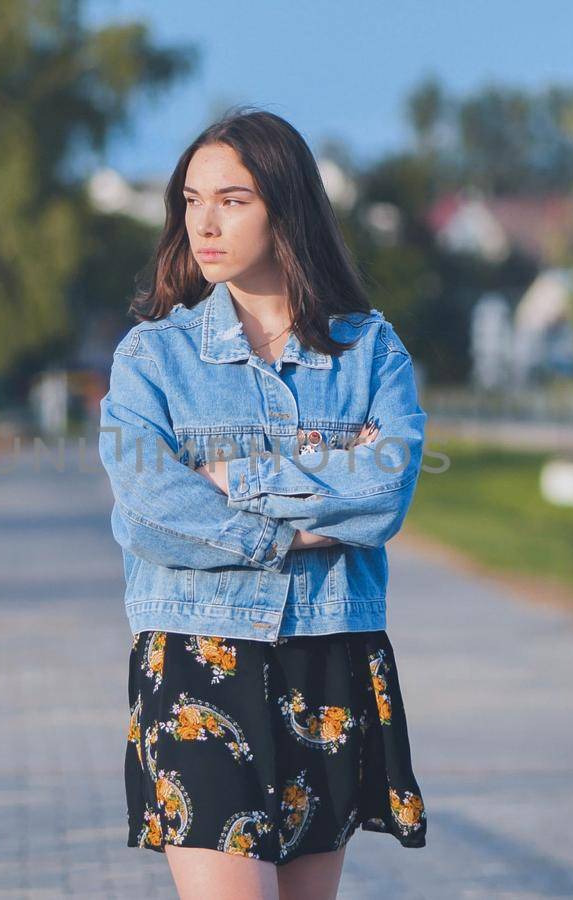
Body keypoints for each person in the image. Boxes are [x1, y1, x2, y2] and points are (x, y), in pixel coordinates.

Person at [98, 108, 428, 900]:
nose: (204, 223)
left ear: (287, 209)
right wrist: (301, 516)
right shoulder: (154, 356)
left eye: (233, 200)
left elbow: (383, 493)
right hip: (197, 661)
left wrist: (231, 483)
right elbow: (146, 513)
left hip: (330, 654)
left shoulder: (369, 350)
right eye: (191, 199)